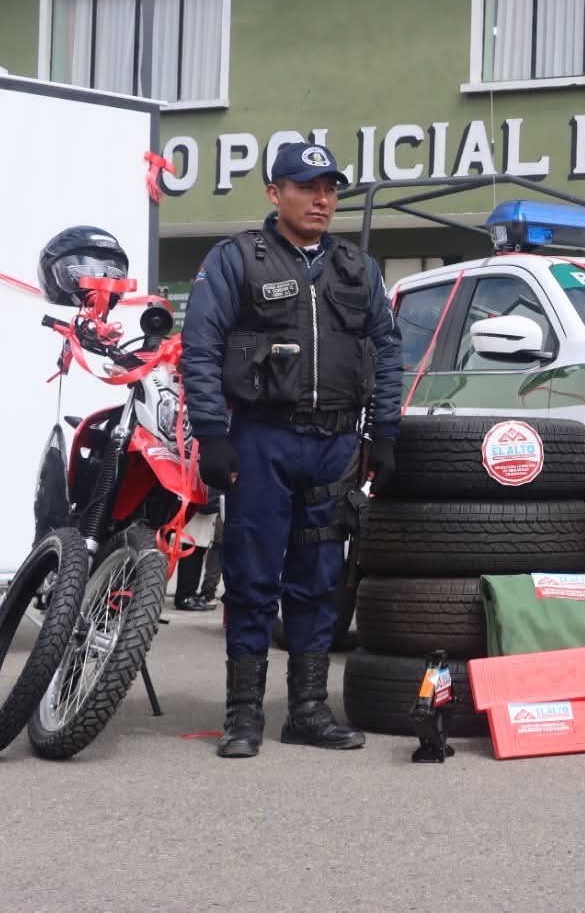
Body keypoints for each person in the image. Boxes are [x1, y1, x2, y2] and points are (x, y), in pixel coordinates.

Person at [181, 141, 403, 758]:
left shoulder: (360, 268)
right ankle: (243, 715)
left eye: (330, 188)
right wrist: (213, 435)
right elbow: (199, 351)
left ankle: (307, 709)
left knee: (319, 581)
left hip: (335, 443)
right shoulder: (236, 261)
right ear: (275, 194)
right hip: (261, 439)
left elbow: (387, 351)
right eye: (307, 187)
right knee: (252, 577)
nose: (322, 199)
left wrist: (383, 432)